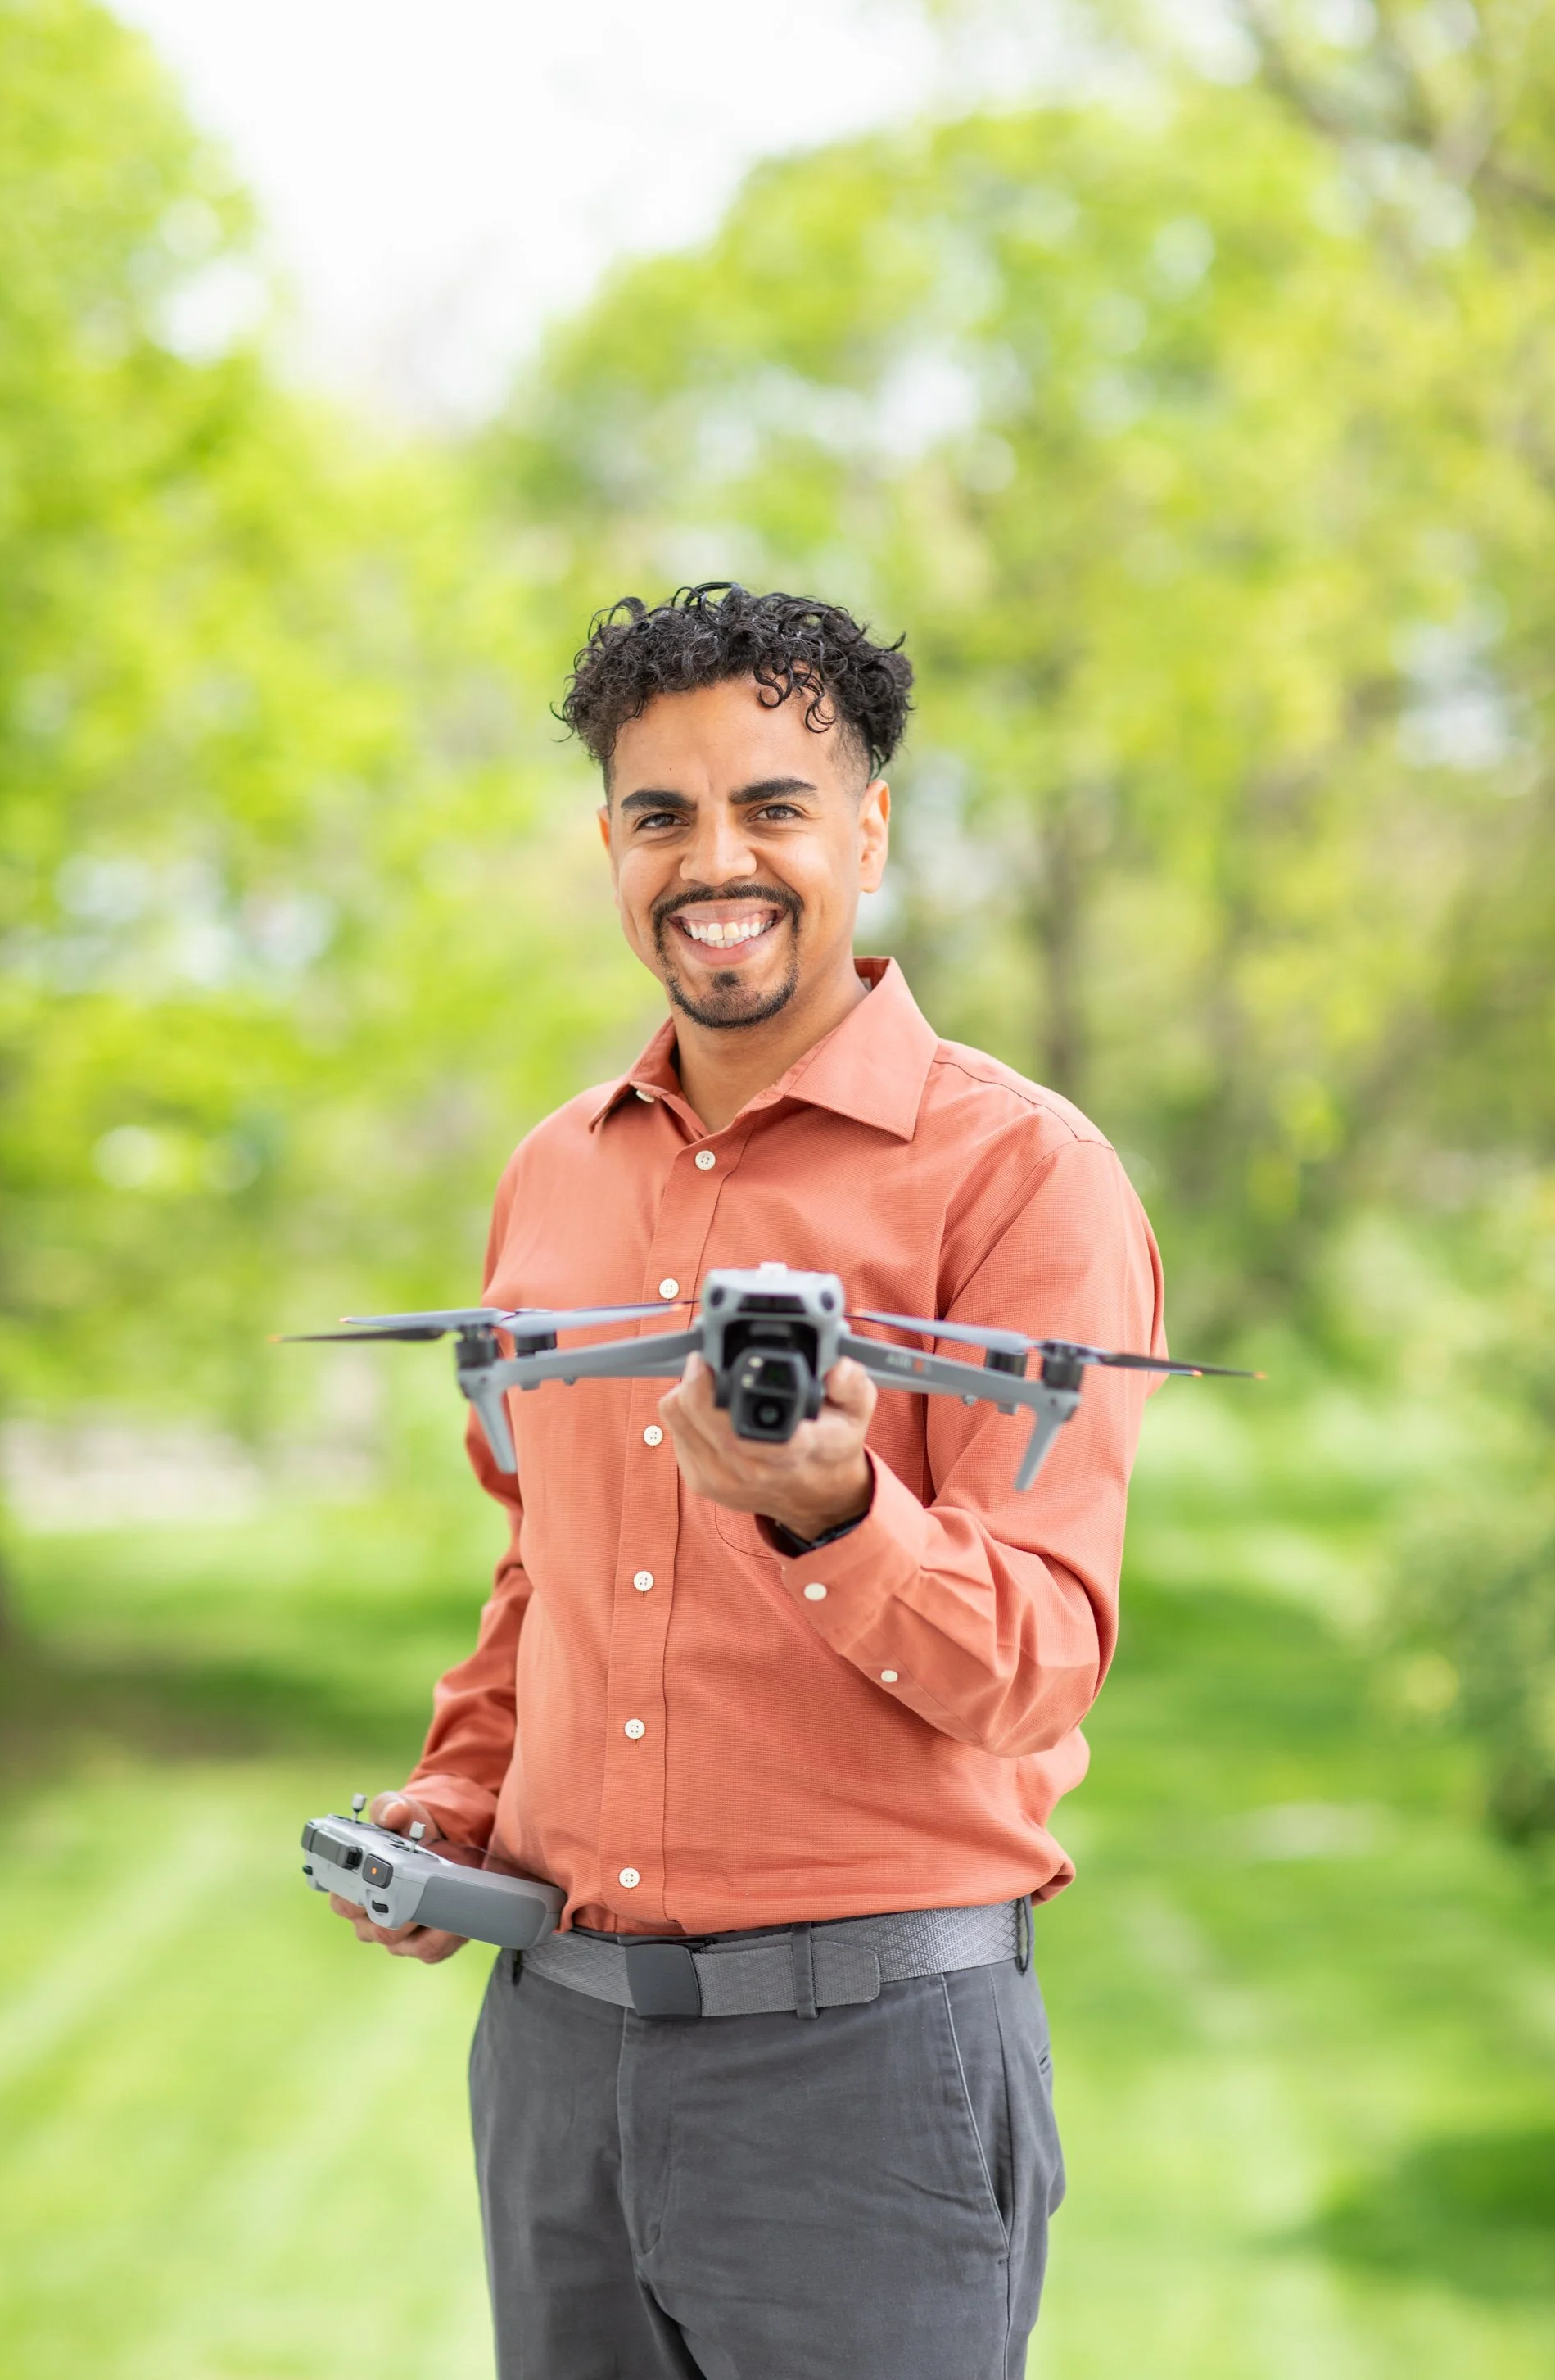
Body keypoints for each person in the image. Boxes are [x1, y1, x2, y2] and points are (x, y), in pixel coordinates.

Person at [328, 583, 1164, 2380]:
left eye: (773, 806)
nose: (717, 860)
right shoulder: (553, 1173)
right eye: (660, 813)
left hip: (864, 2070)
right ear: (609, 844)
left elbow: (1039, 1661)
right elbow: (542, 1562)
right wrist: (459, 1801)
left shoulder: (1021, 1177)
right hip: (556, 2057)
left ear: (866, 829)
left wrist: (833, 1514)